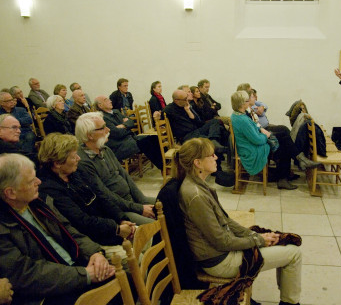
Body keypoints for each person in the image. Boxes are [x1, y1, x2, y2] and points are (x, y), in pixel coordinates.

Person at [178, 138, 302, 305]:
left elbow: (226, 221)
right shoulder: (196, 196)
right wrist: (258, 240)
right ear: (198, 163)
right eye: (212, 155)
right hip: (219, 261)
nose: (216, 158)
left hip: (219, 252)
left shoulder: (198, 186)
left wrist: (255, 234)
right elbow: (221, 241)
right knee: (294, 254)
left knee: (281, 242)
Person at [0, 153, 115, 305]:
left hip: (76, 267)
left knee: (123, 281)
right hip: (49, 291)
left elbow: (69, 230)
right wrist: (85, 275)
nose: (39, 181)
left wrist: (95, 253)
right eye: (31, 181)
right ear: (10, 193)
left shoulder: (37, 203)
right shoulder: (4, 224)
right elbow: (26, 273)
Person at [38, 133, 136, 251]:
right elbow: (81, 221)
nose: (79, 158)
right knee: (137, 257)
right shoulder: (49, 188)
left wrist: (121, 219)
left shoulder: (76, 170)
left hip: (108, 226)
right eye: (74, 157)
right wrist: (116, 228)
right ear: (57, 163)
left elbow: (101, 197)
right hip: (92, 240)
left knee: (147, 237)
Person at [75, 112, 156, 225]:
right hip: (118, 210)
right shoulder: (83, 162)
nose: (108, 130)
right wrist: (139, 208)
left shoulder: (105, 149)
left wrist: (142, 201)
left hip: (130, 201)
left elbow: (125, 176)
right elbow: (105, 195)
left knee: (169, 204)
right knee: (153, 226)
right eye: (103, 128)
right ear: (90, 135)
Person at [94, 95, 162, 168]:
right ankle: (162, 167)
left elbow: (132, 122)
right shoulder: (103, 118)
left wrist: (123, 126)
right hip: (120, 145)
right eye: (106, 100)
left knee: (155, 138)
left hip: (130, 138)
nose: (110, 101)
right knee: (146, 143)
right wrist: (127, 126)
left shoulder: (116, 111)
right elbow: (118, 133)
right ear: (100, 105)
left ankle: (167, 162)